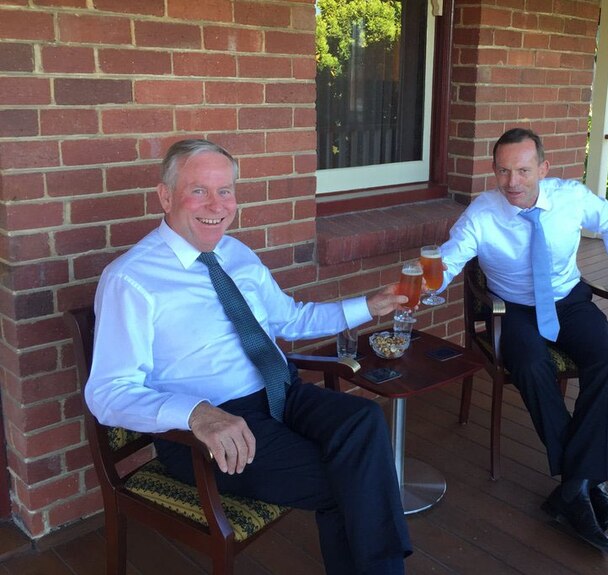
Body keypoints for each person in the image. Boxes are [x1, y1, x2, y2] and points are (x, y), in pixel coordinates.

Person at [84, 139, 412, 575]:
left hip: (278, 391)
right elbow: (107, 393)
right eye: (198, 190)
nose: (216, 205)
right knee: (345, 483)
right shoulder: (130, 279)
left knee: (364, 422)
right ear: (165, 196)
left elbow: (289, 320)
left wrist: (368, 306)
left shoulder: (235, 253)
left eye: (225, 191)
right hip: (208, 432)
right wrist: (198, 413)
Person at [438, 128, 608, 555]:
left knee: (607, 358)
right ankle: (583, 479)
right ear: (495, 171)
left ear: (543, 169)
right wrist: (418, 284)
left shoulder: (570, 197)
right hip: (512, 309)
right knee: (533, 366)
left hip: (569, 299)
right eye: (504, 171)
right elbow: (449, 258)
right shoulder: (482, 213)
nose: (513, 182)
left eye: (524, 171)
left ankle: (573, 486)